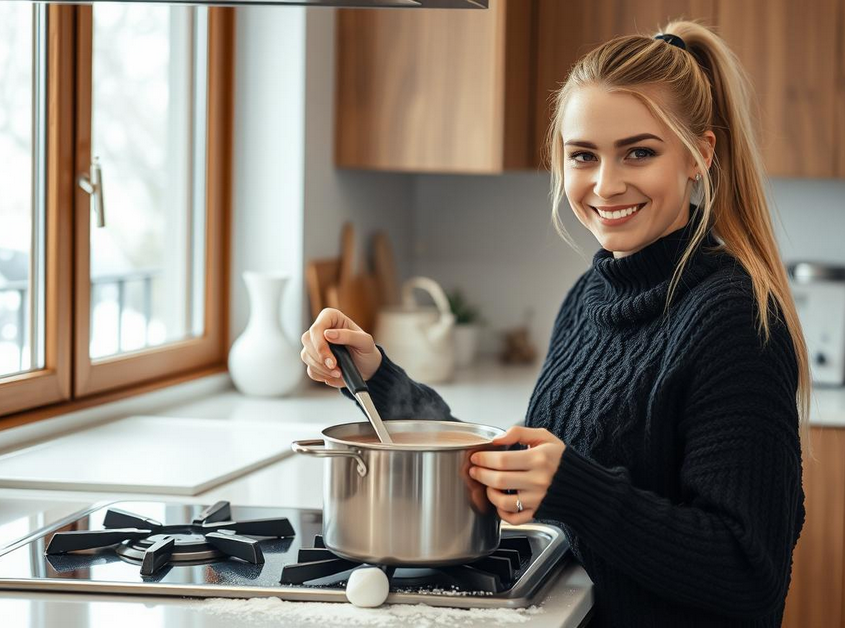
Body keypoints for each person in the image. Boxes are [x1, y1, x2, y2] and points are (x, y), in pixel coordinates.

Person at [300, 19, 810, 627]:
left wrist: (576, 489)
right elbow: (507, 465)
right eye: (583, 155)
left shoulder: (734, 317)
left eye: (639, 152)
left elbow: (749, 577)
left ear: (700, 154)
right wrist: (378, 376)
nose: (606, 183)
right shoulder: (589, 296)